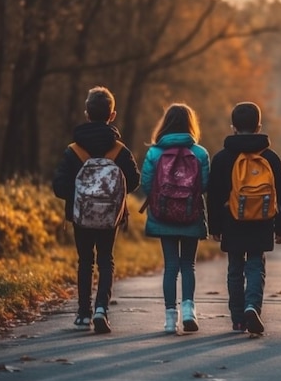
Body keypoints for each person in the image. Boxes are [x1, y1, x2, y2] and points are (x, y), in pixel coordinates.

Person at [52, 86, 140, 334]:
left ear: (86, 113)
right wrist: (112, 196)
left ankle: (83, 314)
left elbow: (59, 185)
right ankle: (102, 308)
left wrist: (80, 196)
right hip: (110, 217)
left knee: (85, 261)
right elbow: (134, 180)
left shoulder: (73, 150)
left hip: (80, 216)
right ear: (112, 115)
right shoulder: (119, 151)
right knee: (106, 260)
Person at [207, 102, 281, 335]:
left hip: (231, 221)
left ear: (233, 127)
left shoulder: (223, 158)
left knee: (235, 269)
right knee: (255, 266)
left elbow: (213, 195)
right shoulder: (271, 158)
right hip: (262, 222)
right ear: (258, 126)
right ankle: (253, 306)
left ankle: (238, 320)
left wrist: (215, 226)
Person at [140, 103, 210, 334]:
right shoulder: (199, 153)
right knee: (188, 264)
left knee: (170, 266)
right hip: (190, 215)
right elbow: (206, 185)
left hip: (163, 216)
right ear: (191, 124)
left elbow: (146, 185)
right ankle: (189, 310)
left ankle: (171, 318)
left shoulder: (154, 152)